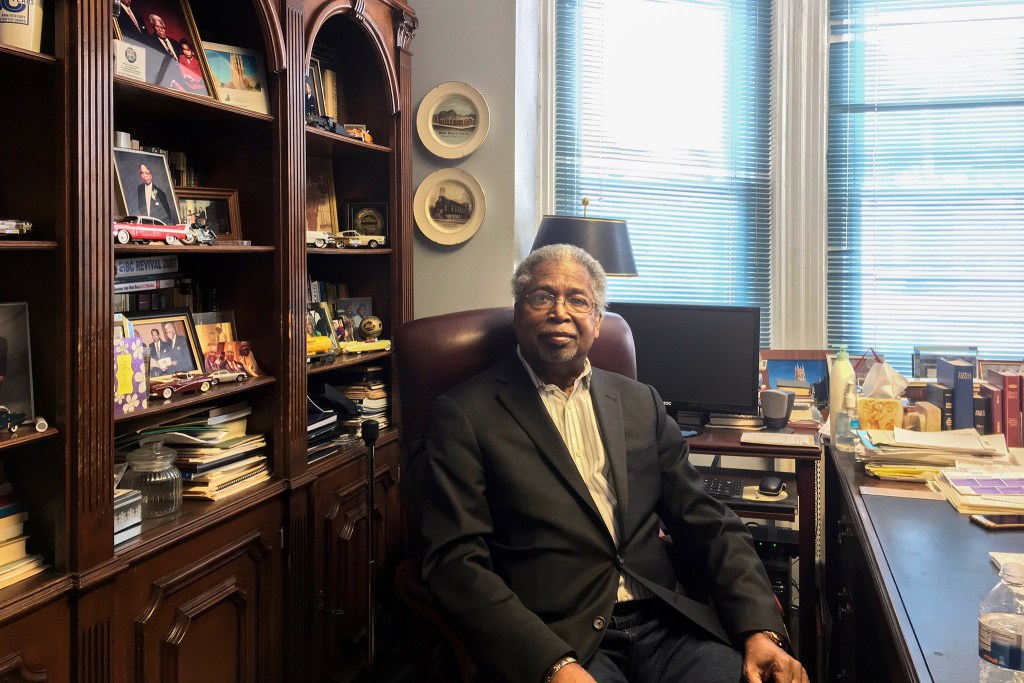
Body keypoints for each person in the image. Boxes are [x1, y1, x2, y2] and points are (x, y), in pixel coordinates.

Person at [410, 244, 809, 683]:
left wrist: (759, 629)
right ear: (519, 312)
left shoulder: (641, 403)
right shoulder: (466, 413)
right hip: (561, 637)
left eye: (578, 300)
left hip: (666, 625)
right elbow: (455, 561)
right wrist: (550, 663)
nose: (560, 312)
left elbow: (708, 521)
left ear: (597, 322)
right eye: (542, 296)